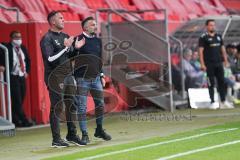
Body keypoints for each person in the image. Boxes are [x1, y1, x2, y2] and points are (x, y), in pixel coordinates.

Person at [40, 10, 86, 148]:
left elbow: (69, 55)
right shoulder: (46, 38)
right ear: (53, 21)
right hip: (55, 77)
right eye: (60, 18)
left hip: (68, 75)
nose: (63, 20)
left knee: (72, 105)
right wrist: (65, 48)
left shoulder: (65, 36)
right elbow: (50, 59)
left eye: (63, 18)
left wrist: (76, 49)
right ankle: (56, 139)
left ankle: (71, 135)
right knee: (57, 107)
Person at [73, 17, 112, 144]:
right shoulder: (78, 39)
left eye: (95, 24)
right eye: (92, 25)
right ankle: (84, 134)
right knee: (82, 108)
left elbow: (99, 59)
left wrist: (101, 75)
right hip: (82, 79)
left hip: (96, 78)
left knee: (100, 105)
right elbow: (71, 57)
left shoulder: (97, 41)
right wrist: (76, 48)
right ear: (84, 27)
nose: (95, 27)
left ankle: (99, 130)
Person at [0, 31, 33, 127]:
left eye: (19, 37)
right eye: (15, 37)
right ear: (11, 38)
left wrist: (27, 71)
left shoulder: (23, 48)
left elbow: (27, 60)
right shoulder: (6, 47)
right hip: (12, 76)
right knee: (17, 99)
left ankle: (15, 120)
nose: (18, 39)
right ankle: (24, 120)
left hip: (22, 76)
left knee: (20, 98)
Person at [199, 19, 231, 109]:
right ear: (207, 26)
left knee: (222, 82)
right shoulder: (203, 37)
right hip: (209, 64)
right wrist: (202, 64)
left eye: (213, 25)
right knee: (211, 83)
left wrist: (226, 61)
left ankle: (223, 101)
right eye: (210, 25)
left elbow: (223, 50)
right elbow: (200, 52)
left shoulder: (219, 36)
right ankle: (212, 102)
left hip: (219, 63)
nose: (212, 26)